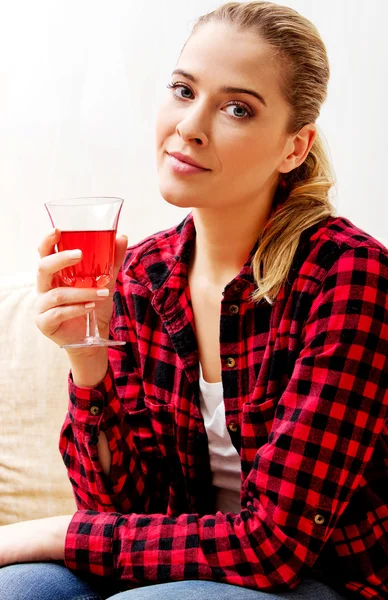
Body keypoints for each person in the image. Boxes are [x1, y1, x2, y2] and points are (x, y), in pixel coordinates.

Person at [1, 1, 387, 599]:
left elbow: (274, 547)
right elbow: (121, 509)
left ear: (294, 147)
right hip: (189, 564)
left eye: (237, 108)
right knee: (23, 589)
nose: (190, 126)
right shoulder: (144, 275)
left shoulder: (348, 274)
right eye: (183, 90)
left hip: (322, 577)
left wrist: (46, 534)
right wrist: (87, 359)